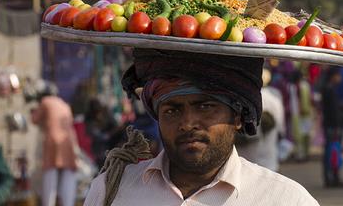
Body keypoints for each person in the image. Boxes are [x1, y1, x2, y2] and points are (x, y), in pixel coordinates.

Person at [84, 49, 319, 205]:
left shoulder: (286, 200)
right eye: (172, 110)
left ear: (238, 116)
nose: (187, 124)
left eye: (205, 107)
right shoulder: (110, 191)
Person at [31, 80, 78, 206]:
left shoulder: (45, 102)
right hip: (68, 143)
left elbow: (34, 119)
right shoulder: (65, 105)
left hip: (52, 142)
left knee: (49, 180)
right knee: (67, 180)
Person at [236, 68, 285, 171]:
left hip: (245, 161)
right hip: (269, 159)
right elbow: (280, 126)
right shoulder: (274, 97)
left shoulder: (241, 96)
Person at [321, 67, 343, 188]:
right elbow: (333, 111)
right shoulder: (329, 90)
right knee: (332, 153)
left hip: (330, 125)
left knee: (331, 152)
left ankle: (331, 177)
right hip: (332, 126)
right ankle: (332, 178)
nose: (340, 78)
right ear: (333, 76)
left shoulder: (328, 89)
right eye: (338, 75)